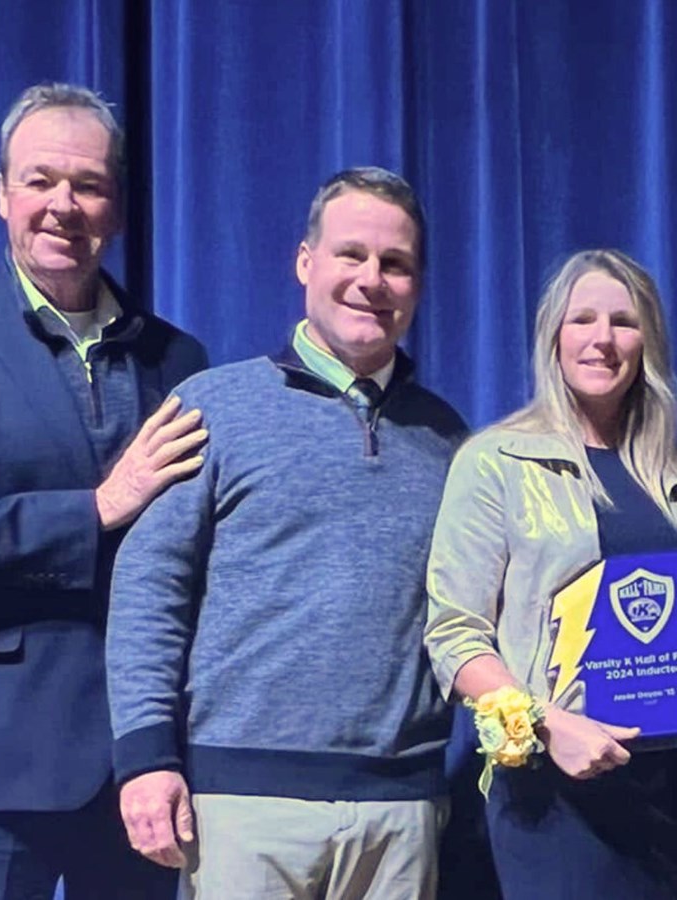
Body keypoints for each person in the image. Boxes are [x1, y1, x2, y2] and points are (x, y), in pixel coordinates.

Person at [0, 83, 208, 899]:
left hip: (142, 758)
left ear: (116, 206)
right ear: (1, 195)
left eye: (88, 184)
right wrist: (95, 510)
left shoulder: (179, 359)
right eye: (40, 180)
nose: (63, 205)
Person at [105, 167, 466, 899]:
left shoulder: (449, 440)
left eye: (395, 263)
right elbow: (150, 590)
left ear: (418, 286)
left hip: (400, 811)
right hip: (241, 805)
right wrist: (145, 758)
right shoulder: (210, 408)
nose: (371, 280)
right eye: (350, 254)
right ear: (306, 262)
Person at [424, 249, 677, 898]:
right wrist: (548, 724)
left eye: (623, 322)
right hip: (552, 791)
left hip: (673, 790)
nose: (602, 339)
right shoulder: (495, 461)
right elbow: (455, 635)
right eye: (582, 319)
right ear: (553, 336)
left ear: (648, 342)